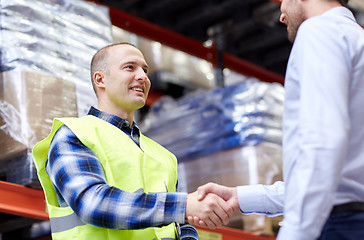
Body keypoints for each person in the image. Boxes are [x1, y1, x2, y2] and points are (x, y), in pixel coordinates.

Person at [190, 0, 364, 239]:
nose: (281, 16)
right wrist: (241, 198)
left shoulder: (318, 31)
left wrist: (296, 232)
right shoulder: (355, 38)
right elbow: (343, 178)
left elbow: (322, 144)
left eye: (282, 2)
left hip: (339, 225)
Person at [32, 42, 234, 240]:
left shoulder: (164, 156)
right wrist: (184, 205)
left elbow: (180, 225)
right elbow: (93, 204)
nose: (143, 77)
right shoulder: (73, 135)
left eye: (145, 70)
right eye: (130, 67)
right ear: (100, 79)